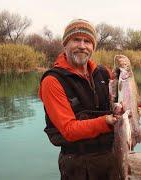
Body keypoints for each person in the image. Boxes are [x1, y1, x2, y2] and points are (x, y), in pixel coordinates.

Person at [39, 19, 120, 180]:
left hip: (112, 158)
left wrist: (133, 106)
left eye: (88, 41)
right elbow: (69, 130)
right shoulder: (52, 81)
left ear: (93, 46)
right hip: (79, 166)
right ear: (65, 44)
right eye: (76, 40)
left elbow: (123, 102)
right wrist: (106, 121)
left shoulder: (104, 73)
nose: (82, 45)